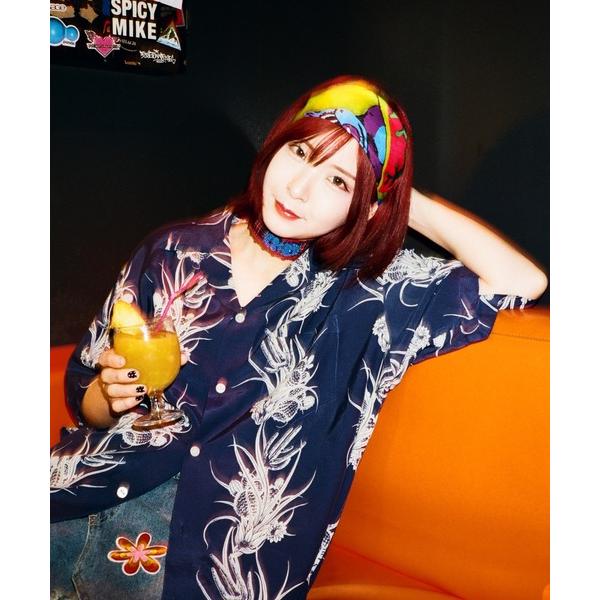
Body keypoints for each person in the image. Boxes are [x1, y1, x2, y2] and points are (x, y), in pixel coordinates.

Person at [50, 76, 548, 599]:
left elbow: (522, 281)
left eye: (339, 182)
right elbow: (86, 401)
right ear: (277, 144)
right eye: (301, 152)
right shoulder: (174, 250)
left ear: (366, 205)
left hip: (203, 571)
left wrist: (401, 198)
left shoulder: (369, 295)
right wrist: (109, 393)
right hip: (73, 500)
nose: (298, 189)